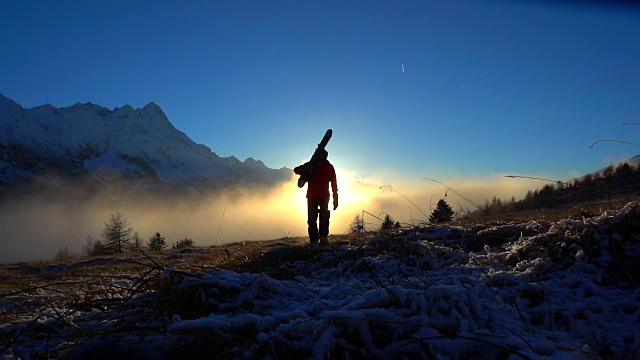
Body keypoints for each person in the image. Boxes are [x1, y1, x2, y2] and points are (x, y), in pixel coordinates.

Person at [294, 149, 338, 246]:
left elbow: (334, 183)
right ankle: (318, 239)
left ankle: (320, 238)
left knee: (319, 217)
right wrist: (307, 168)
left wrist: (336, 198)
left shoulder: (327, 167)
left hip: (317, 196)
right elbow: (296, 170)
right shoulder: (322, 166)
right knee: (316, 218)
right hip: (316, 196)